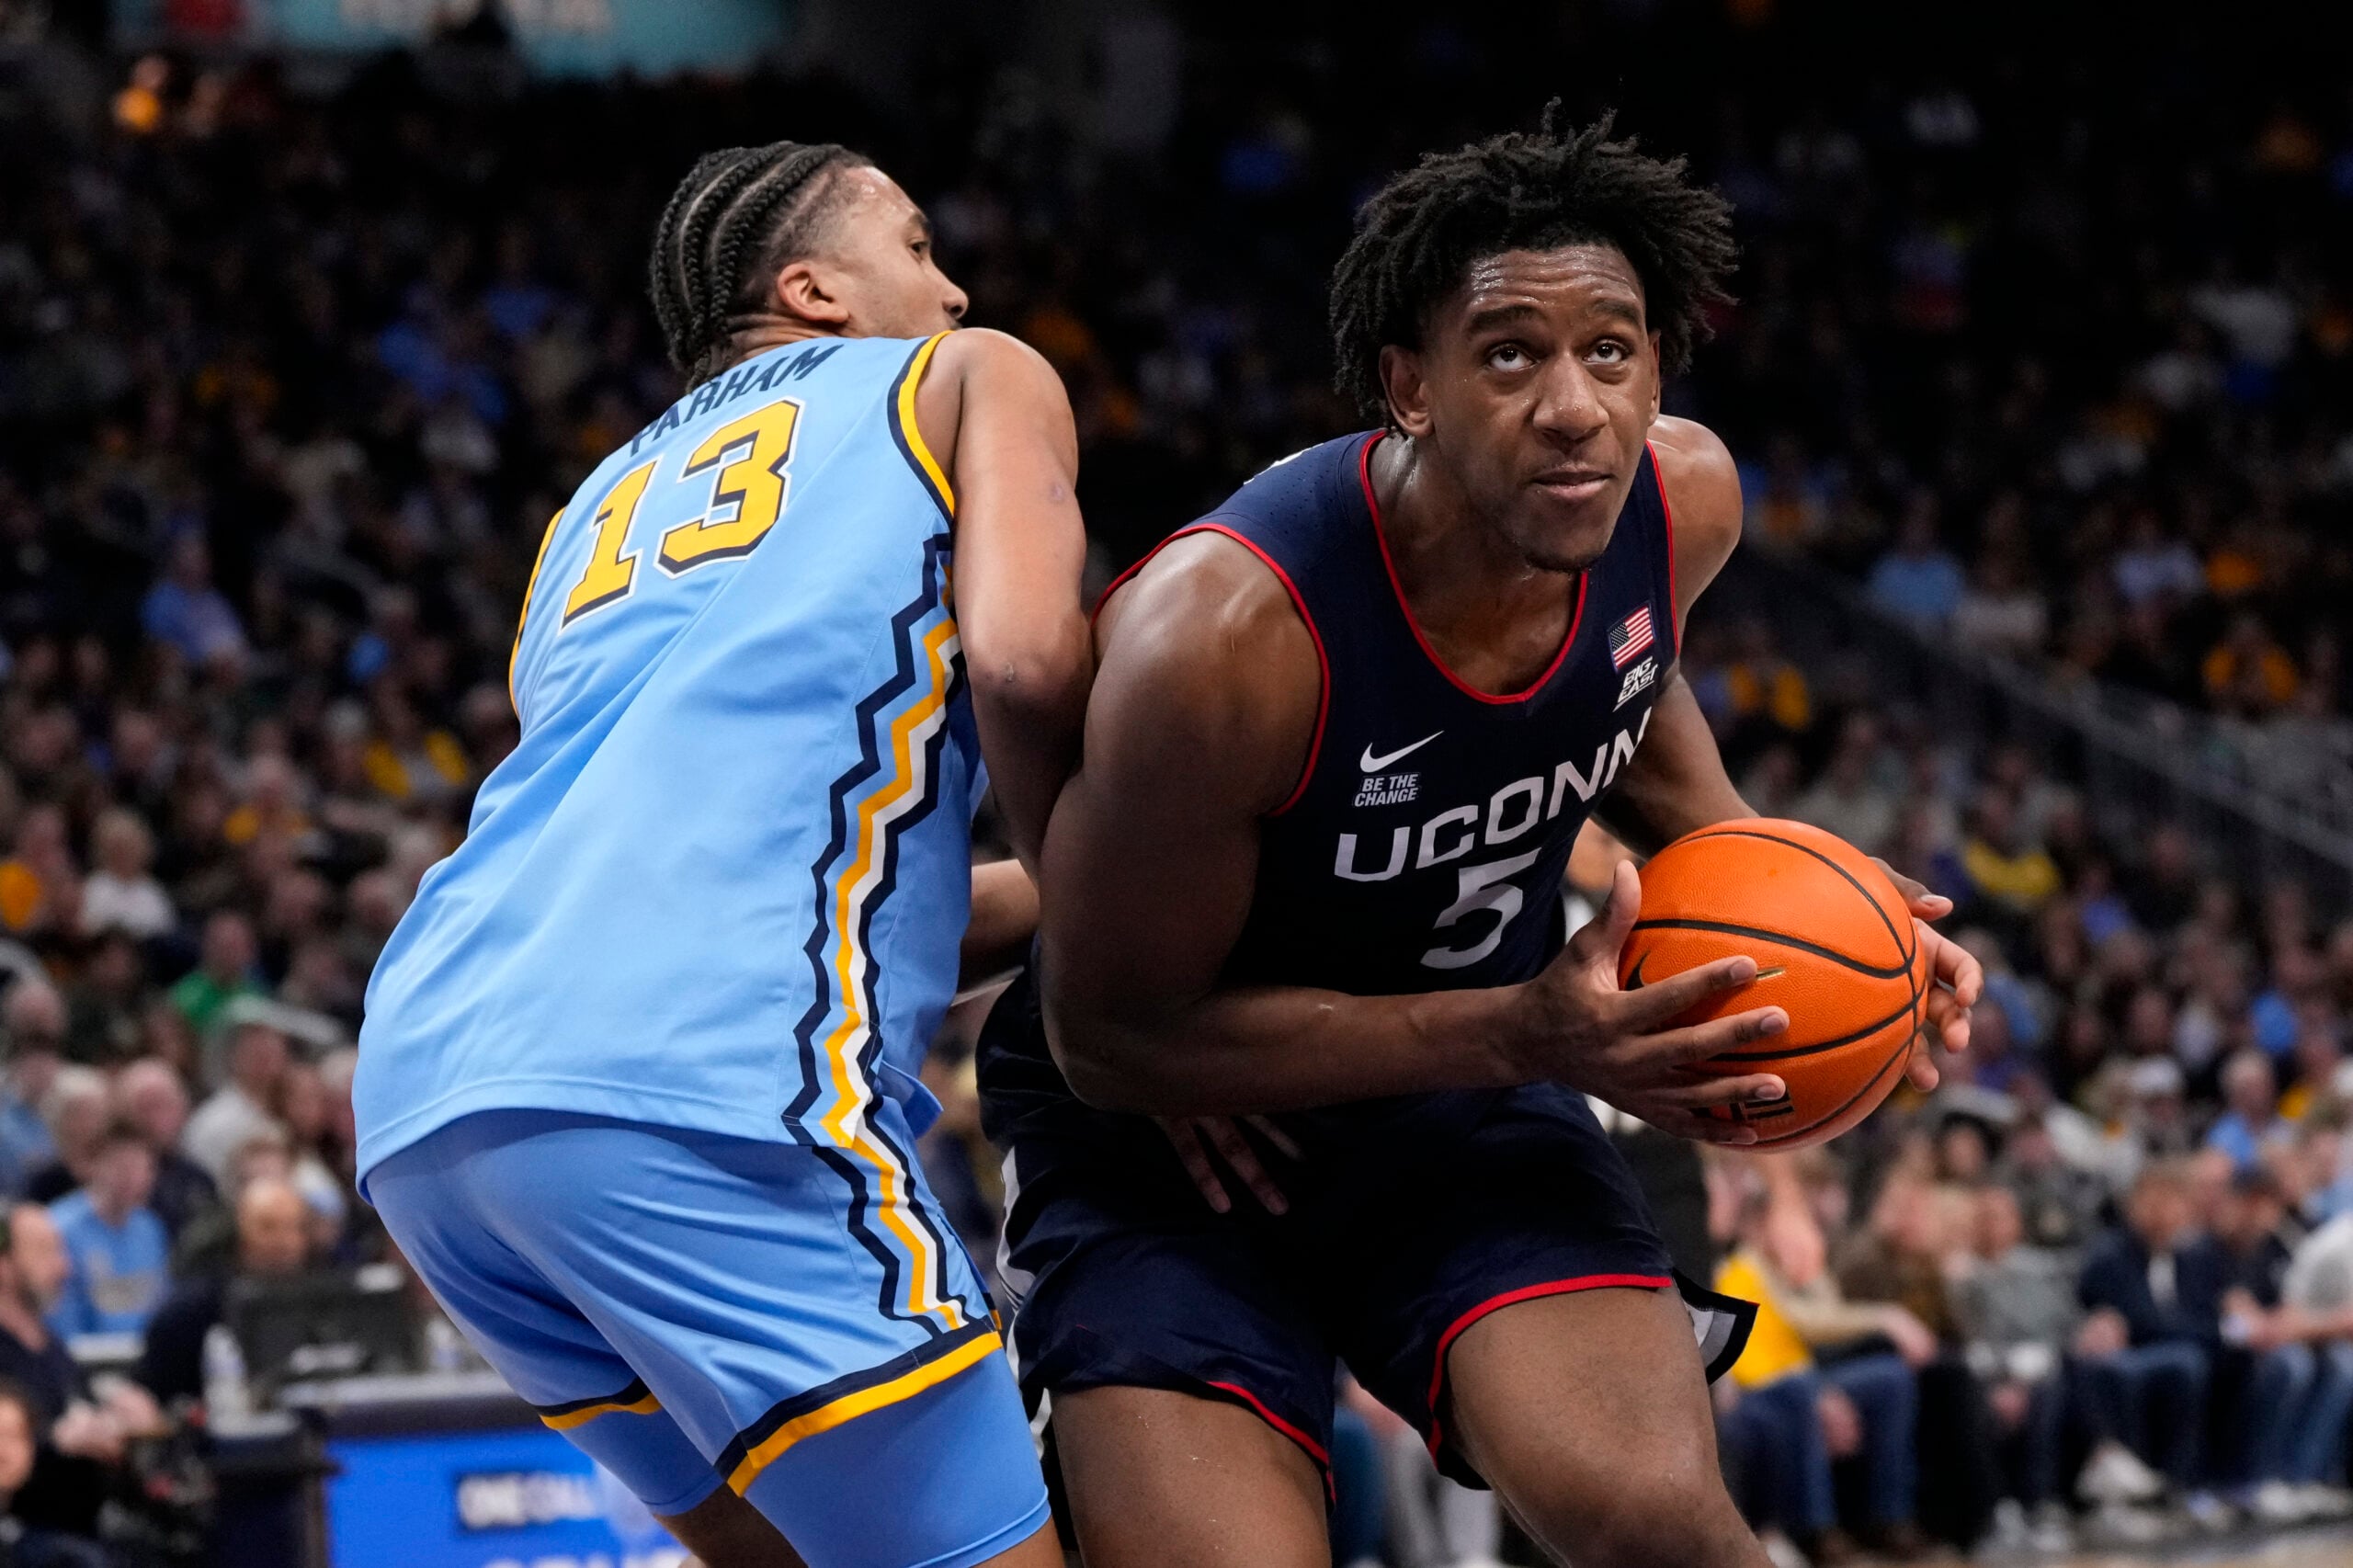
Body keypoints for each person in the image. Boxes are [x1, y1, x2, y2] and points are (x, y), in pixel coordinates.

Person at [978, 114, 1978, 1568]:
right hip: (1175, 1143)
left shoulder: (1680, 503)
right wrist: (1524, 1032)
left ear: (1657, 369)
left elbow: (1634, 706)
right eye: (1510, 355)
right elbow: (1109, 1038)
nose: (1574, 406)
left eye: (1611, 352)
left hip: (1463, 1097)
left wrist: (1849, 925)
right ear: (1411, 388)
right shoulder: (1229, 638)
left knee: (1664, 1528)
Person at [356, 140, 1090, 1568]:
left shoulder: (588, 513)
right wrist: (1133, 935)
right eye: (917, 246)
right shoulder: (967, 377)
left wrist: (1066, 904)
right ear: (812, 290)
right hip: (701, 1086)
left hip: (434, 1098)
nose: (952, 288)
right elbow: (1023, 659)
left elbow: (824, 899)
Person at [2075, 1162, 2222, 1502]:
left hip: (2177, 1351)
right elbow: (2137, 1320)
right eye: (2152, 1201)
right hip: (2125, 1354)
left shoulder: (2193, 1257)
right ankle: (2143, 1483)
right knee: (2179, 1363)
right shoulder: (2110, 1255)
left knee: (2210, 1362)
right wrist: (2189, 1330)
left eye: (2171, 1202)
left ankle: (2190, 1483)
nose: (2161, 1212)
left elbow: (2210, 1320)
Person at [136, 1176, 311, 1410]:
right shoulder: (192, 1310)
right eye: (268, 1227)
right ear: (238, 1231)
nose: (284, 1242)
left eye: (294, 1228)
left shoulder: (316, 1302)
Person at [45, 1122, 168, 1338]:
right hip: (83, 1354)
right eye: (122, 1167)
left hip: (147, 1354)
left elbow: (161, 1305)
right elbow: (58, 1320)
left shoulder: (151, 1228)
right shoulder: (58, 1229)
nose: (132, 1178)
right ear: (93, 1166)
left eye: (141, 1168)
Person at [179, 1017, 289, 1185]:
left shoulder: (290, 1110)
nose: (266, 1063)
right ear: (235, 1057)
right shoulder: (213, 1122)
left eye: (272, 1054)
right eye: (258, 1054)